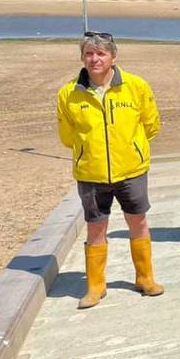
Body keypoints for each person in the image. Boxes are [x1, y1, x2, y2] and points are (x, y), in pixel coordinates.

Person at [57, 31, 164, 309]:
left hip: (131, 170)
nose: (95, 59)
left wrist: (131, 148)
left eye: (101, 53)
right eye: (89, 53)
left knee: (138, 222)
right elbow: (67, 136)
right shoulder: (68, 94)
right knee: (96, 227)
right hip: (91, 174)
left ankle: (145, 277)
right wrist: (89, 152)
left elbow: (151, 124)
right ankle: (95, 286)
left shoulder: (136, 86)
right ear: (82, 58)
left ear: (113, 57)